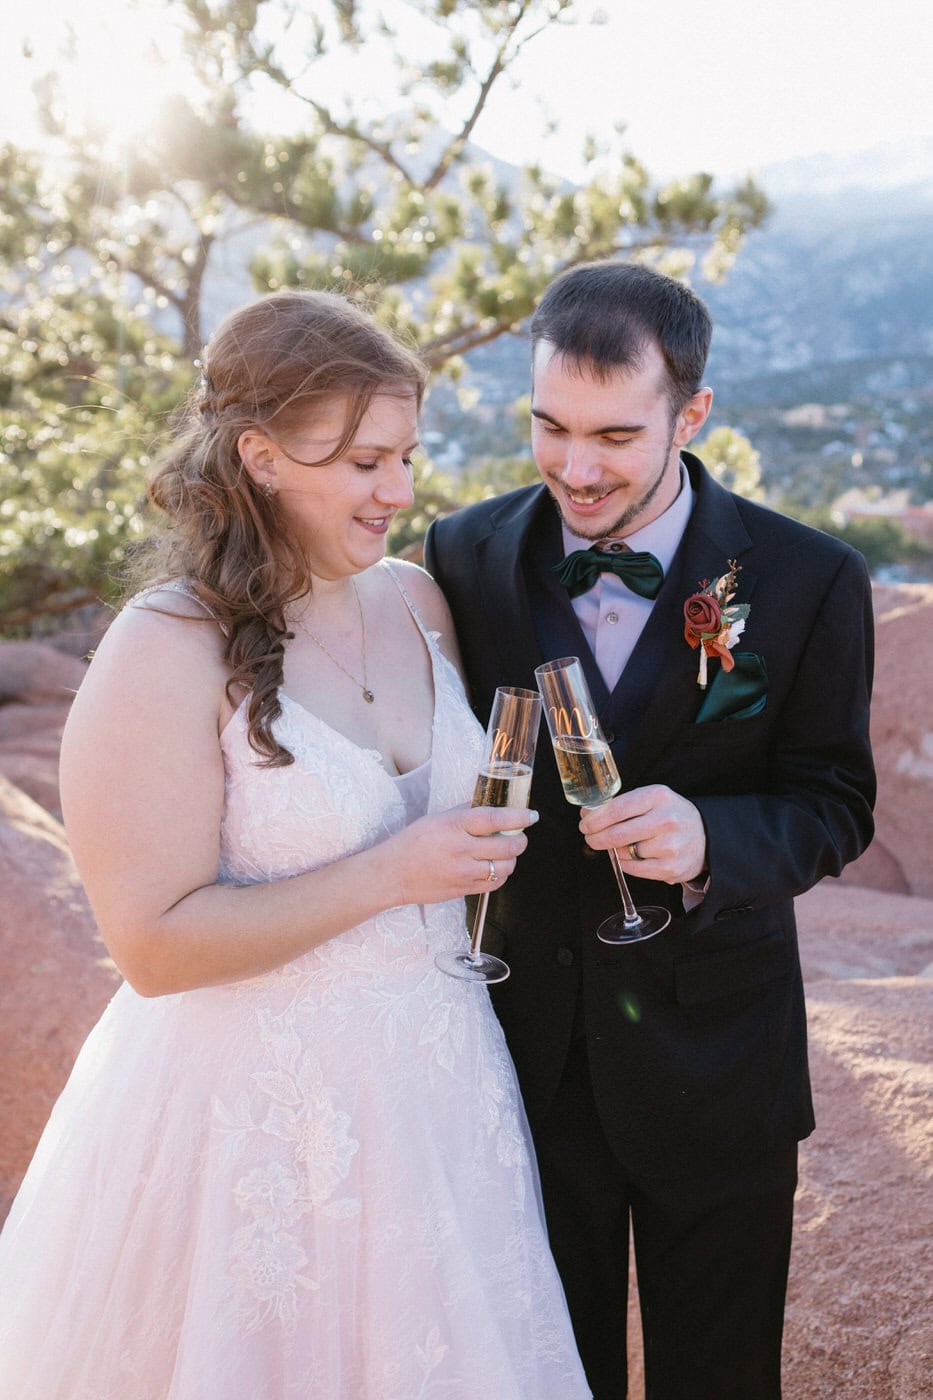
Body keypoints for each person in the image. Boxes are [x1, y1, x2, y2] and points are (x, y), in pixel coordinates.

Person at [0, 290, 592, 1399]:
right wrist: (393, 871)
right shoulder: (165, 645)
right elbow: (152, 946)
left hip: (442, 1089)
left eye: (407, 455)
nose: (401, 491)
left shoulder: (421, 598)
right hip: (255, 1129)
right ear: (262, 456)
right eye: (365, 462)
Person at [425, 261, 875, 1399]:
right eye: (549, 426)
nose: (577, 469)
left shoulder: (810, 577)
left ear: (694, 412)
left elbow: (834, 800)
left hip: (718, 1066)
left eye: (617, 435)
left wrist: (713, 837)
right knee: (538, 1374)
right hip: (523, 1061)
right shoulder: (460, 555)